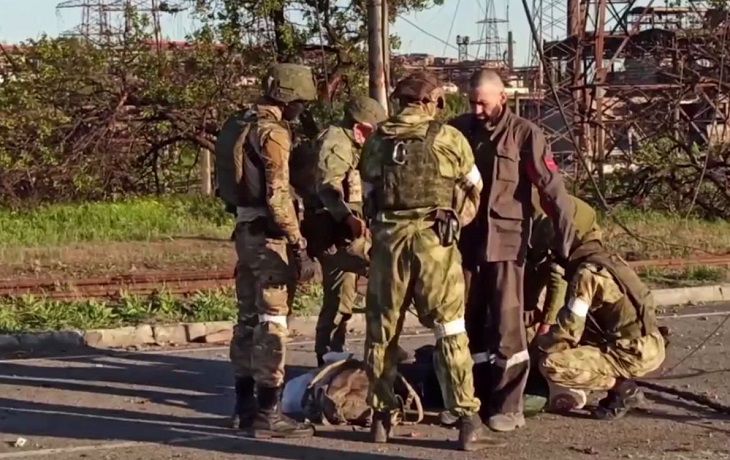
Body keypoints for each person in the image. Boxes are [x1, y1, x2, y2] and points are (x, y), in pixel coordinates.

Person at [359, 70, 503, 451]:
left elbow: (368, 194)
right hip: (433, 243)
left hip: (389, 244)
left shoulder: (377, 139)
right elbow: (474, 187)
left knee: (382, 330)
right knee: (449, 328)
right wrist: (455, 218)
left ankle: (380, 417)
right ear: (431, 101)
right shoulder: (449, 137)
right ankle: (467, 420)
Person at [449, 69, 576, 432]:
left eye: (483, 103)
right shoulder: (458, 131)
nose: (477, 110)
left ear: (502, 98)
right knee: (466, 323)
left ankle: (508, 405)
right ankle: (470, 400)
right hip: (466, 243)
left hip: (506, 242)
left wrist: (564, 242)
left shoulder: (524, 134)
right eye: (472, 103)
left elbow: (552, 189)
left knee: (508, 327)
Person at [218, 63, 319, 439]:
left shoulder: (239, 124)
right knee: (272, 323)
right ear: (288, 98)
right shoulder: (273, 133)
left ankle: (243, 408)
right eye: (301, 102)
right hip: (270, 237)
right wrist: (298, 243)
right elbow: (278, 197)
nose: (302, 109)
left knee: (246, 321)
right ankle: (268, 413)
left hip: (245, 231)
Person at [534, 228, 666, 420]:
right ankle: (617, 386)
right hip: (650, 343)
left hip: (632, 353)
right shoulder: (610, 261)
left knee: (552, 364)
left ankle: (623, 389)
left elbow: (570, 329)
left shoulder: (587, 273)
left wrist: (539, 349)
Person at [306, 96, 387, 367]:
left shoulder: (350, 144)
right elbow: (328, 187)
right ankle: (334, 355)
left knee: (342, 297)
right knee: (385, 274)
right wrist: (348, 217)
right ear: (359, 128)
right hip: (336, 231)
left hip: (343, 231)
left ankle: (332, 354)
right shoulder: (336, 142)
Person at [524, 192, 603, 344]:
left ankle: (564, 335)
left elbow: (557, 275)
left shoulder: (548, 231)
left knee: (576, 285)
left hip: (580, 226)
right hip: (550, 227)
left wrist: (547, 323)